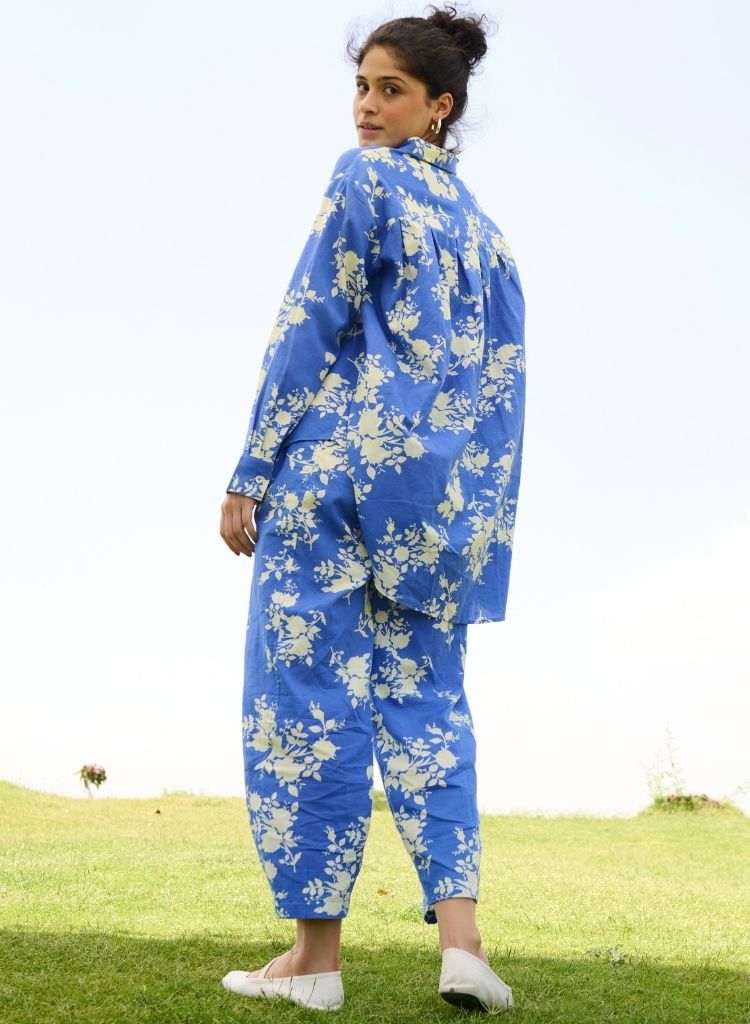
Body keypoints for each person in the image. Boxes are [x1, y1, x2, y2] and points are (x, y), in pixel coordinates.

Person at [219, 4, 525, 1013]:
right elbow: (500, 393)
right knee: (431, 709)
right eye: (362, 85)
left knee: (307, 702)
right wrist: (476, 524)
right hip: (434, 509)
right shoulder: (488, 237)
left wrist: (251, 469)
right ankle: (465, 948)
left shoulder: (363, 180)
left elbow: (309, 323)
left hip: (332, 482)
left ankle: (314, 961)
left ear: (440, 107)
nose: (367, 106)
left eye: (391, 89)